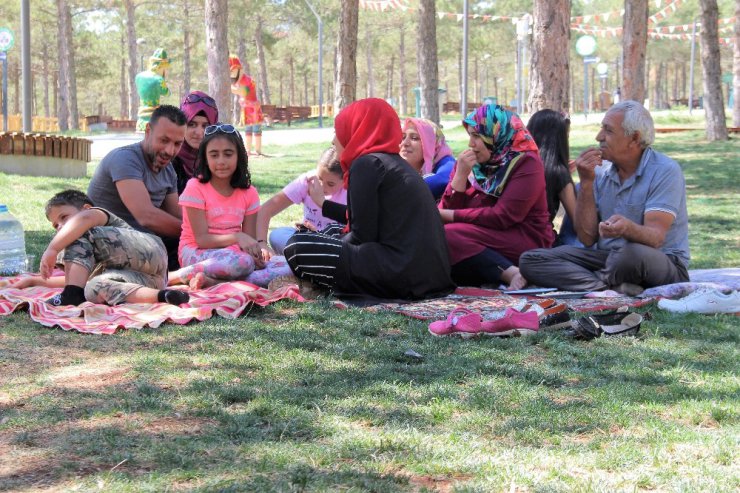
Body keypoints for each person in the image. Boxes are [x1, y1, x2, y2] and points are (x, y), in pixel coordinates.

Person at [283, 98, 454, 301]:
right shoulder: (389, 163)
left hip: (402, 274)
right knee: (327, 233)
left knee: (297, 245)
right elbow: (361, 219)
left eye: (339, 130)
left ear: (357, 130)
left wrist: (324, 241)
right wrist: (328, 234)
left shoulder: (367, 164)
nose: (334, 141)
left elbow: (362, 236)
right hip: (425, 275)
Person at [519, 100, 690, 294]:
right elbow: (586, 237)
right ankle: (605, 288)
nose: (598, 136)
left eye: (608, 131)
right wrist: (586, 182)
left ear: (634, 138)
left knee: (630, 254)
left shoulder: (664, 171)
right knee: (531, 260)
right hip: (608, 257)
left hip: (658, 260)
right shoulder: (600, 172)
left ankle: (598, 282)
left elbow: (656, 238)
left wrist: (627, 228)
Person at [438, 104, 554, 290]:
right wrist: (459, 177)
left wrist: (449, 215)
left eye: (477, 136)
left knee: (450, 234)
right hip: (479, 235)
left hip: (523, 237)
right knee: (438, 235)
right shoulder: (471, 165)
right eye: (470, 136)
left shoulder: (526, 163)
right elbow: (443, 212)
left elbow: (504, 216)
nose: (471, 144)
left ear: (496, 134)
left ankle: (511, 273)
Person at [9, 190, 189, 307]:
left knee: (78, 233)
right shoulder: (82, 252)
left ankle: (71, 297)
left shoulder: (93, 215)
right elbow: (72, 281)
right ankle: (164, 296)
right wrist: (33, 281)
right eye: (56, 225)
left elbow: (84, 220)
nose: (61, 227)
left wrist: (52, 249)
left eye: (64, 217)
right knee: (93, 288)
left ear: (86, 208)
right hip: (154, 279)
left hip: (151, 249)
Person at [87, 104, 186, 272]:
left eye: (177, 144)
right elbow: (146, 216)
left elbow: (178, 217)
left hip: (142, 244)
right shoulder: (125, 159)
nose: (170, 150)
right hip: (104, 243)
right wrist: (198, 235)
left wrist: (212, 234)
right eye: (164, 140)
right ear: (148, 131)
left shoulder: (168, 170)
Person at [168, 123, 264, 290]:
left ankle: (213, 282)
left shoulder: (249, 193)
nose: (221, 162)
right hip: (195, 251)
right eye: (214, 155)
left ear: (239, 156)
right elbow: (202, 239)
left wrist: (256, 255)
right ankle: (175, 276)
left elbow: (248, 239)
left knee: (280, 266)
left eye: (228, 154)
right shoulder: (195, 187)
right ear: (205, 158)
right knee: (243, 263)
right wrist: (237, 237)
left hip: (233, 254)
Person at [256, 146, 346, 258]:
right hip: (309, 240)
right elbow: (266, 210)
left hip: (337, 242)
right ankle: (313, 255)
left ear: (345, 180)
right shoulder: (307, 181)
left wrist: (321, 202)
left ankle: (309, 256)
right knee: (276, 235)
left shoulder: (351, 190)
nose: (322, 187)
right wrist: (262, 243)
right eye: (320, 178)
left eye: (330, 184)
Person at [526, 109, 577, 245]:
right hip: (541, 242)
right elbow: (579, 223)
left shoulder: (517, 165)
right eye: (566, 136)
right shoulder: (557, 173)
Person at [172, 91, 219, 194]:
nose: (198, 132)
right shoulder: (168, 160)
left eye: (205, 126)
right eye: (192, 124)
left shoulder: (219, 161)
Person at [400, 118, 456, 199]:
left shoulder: (447, 163)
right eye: (402, 137)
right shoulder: (393, 164)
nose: (404, 143)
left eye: (414, 138)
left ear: (432, 143)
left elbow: (442, 181)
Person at [229, 55, 264, 155]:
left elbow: (244, 92)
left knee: (257, 129)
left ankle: (258, 150)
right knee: (248, 130)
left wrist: (229, 87)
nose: (231, 74)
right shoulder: (237, 82)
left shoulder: (247, 80)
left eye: (232, 71)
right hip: (246, 109)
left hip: (254, 109)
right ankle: (248, 150)